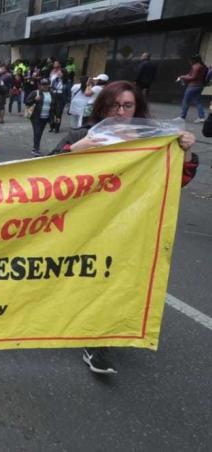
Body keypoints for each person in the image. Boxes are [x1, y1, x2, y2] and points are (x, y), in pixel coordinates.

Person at [49, 80, 197, 375]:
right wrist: (73, 149)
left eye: (127, 105)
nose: (120, 111)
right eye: (113, 105)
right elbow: (45, 178)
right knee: (85, 277)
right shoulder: (83, 134)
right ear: (102, 106)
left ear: (137, 107)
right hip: (86, 225)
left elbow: (177, 181)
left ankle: (98, 341)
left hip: (129, 227)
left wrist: (187, 153)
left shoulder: (154, 141)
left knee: (112, 281)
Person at [25, 78, 53, 156]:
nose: (45, 86)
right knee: (37, 132)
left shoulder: (51, 93)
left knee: (39, 133)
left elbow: (54, 105)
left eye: (46, 84)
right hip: (35, 117)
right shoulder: (35, 93)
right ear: (39, 85)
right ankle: (35, 149)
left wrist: (56, 116)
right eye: (43, 85)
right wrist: (34, 100)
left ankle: (36, 147)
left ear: (49, 85)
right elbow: (27, 102)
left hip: (46, 117)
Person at [176, 55, 207, 123]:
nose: (189, 62)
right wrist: (183, 76)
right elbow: (191, 75)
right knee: (197, 101)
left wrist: (182, 77)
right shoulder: (203, 66)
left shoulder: (196, 66)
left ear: (193, 60)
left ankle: (182, 117)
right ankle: (201, 117)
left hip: (193, 86)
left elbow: (192, 77)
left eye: (190, 60)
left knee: (185, 101)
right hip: (200, 86)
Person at [48, 60, 66, 133]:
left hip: (60, 94)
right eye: (54, 64)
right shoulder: (52, 72)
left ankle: (57, 127)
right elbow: (50, 82)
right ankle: (52, 126)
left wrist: (61, 76)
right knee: (51, 111)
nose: (55, 65)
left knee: (58, 112)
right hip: (52, 93)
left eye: (56, 64)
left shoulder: (62, 71)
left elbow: (65, 81)